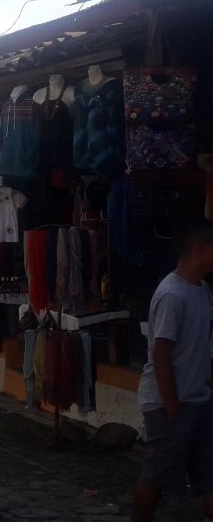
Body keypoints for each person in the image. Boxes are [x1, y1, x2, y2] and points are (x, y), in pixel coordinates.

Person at [131, 220, 213, 522]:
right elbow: (161, 352)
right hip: (170, 403)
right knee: (157, 477)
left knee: (209, 476)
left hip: (199, 399)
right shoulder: (172, 294)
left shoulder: (202, 291)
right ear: (201, 249)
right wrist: (171, 405)